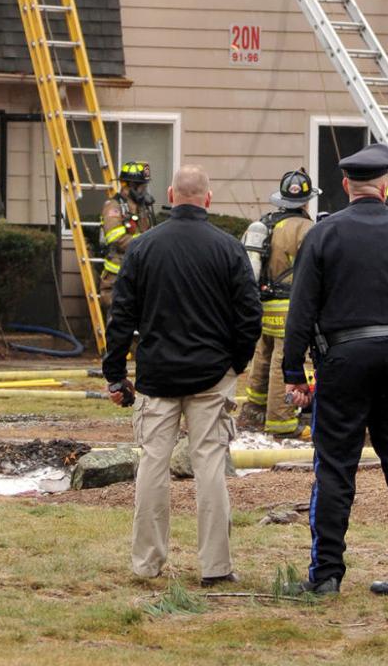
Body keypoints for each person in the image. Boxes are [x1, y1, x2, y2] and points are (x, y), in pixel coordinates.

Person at [281, 143, 388, 598]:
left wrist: (293, 370)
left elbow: (301, 309)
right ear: (387, 185)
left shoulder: (323, 234)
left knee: (335, 469)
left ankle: (327, 575)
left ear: (345, 185)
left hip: (344, 359)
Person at [102, 164, 262, 586]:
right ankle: (216, 567)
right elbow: (250, 314)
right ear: (207, 198)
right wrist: (237, 363)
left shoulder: (142, 248)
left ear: (172, 195)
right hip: (212, 375)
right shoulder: (229, 249)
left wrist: (115, 374)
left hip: (157, 375)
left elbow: (121, 317)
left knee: (153, 465)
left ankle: (147, 563)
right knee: (210, 465)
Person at [239, 168, 317, 435]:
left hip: (265, 305)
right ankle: (281, 422)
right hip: (292, 307)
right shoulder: (307, 228)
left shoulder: (265, 224)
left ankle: (253, 413)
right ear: (306, 201)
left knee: (263, 357)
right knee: (282, 363)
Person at [100, 160, 158, 303]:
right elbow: (116, 238)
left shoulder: (141, 208)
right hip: (117, 276)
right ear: (130, 186)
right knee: (119, 318)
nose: (144, 191)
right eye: (142, 187)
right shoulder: (114, 207)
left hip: (136, 273)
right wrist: (145, 243)